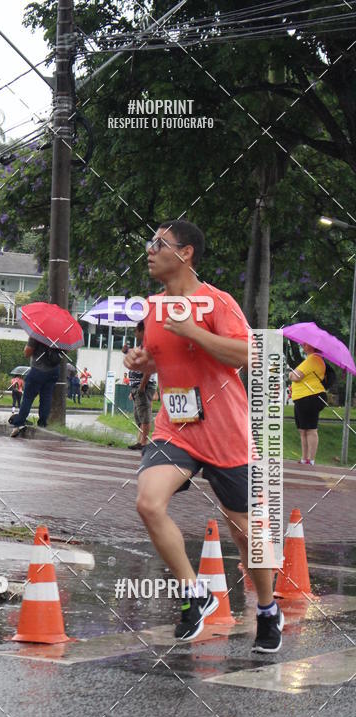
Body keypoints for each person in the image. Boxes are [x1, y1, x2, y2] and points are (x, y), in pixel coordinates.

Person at [125, 219, 281, 653]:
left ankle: (267, 608)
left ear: (186, 252)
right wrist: (142, 361)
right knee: (148, 502)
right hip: (176, 426)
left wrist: (194, 331)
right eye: (150, 243)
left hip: (225, 431)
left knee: (245, 532)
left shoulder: (217, 301)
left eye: (159, 243)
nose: (150, 250)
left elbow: (251, 353)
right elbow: (163, 357)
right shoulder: (154, 307)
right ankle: (195, 593)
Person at [9, 338, 62, 437]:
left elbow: (27, 353)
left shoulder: (38, 333)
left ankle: (19, 424)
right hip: (53, 371)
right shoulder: (61, 334)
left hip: (38, 369)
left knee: (28, 398)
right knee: (46, 398)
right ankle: (42, 423)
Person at [288, 341, 326, 466]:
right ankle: (305, 458)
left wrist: (291, 374)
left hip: (310, 397)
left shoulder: (313, 359)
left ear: (313, 346)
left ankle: (311, 459)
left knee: (310, 429)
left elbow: (296, 376)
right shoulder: (310, 359)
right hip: (302, 398)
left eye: (306, 344)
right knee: (302, 430)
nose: (303, 345)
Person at [124, 320, 157, 451]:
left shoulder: (148, 347)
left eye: (136, 331)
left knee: (144, 414)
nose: (135, 333)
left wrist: (142, 386)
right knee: (138, 415)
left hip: (143, 386)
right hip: (137, 386)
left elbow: (148, 369)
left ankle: (143, 442)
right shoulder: (141, 346)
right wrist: (127, 351)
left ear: (142, 331)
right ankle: (141, 440)